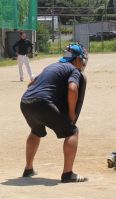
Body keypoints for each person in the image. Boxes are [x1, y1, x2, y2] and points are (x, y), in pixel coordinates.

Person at [20, 44, 89, 183]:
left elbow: (31, 84)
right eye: (82, 60)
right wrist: (71, 112)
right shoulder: (73, 69)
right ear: (76, 60)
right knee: (72, 131)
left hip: (26, 102)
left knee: (35, 131)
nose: (82, 63)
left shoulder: (52, 66)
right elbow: (72, 88)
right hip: (43, 103)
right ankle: (68, 174)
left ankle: (28, 169)